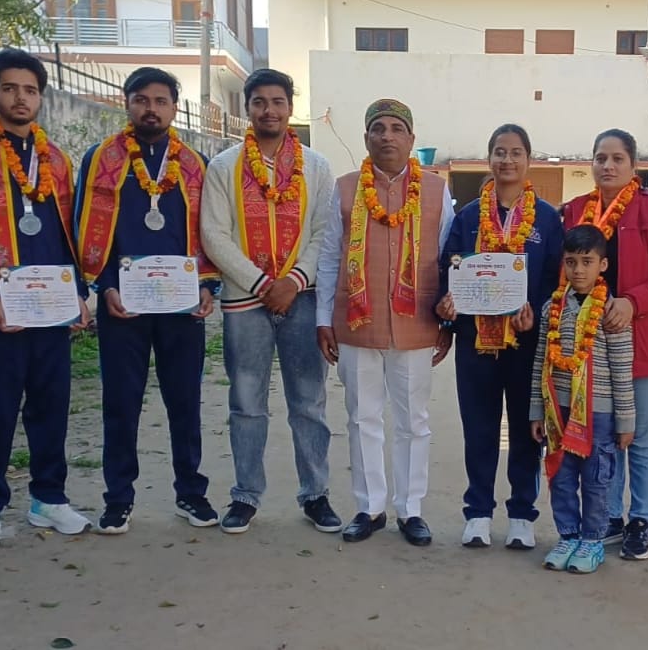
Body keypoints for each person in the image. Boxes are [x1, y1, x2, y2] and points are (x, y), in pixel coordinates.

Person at [0, 48, 92, 553]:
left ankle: (48, 496)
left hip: (50, 306)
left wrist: (78, 292)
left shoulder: (56, 161)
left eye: (30, 90)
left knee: (51, 406)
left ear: (41, 97)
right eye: (10, 88)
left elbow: (69, 235)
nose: (20, 98)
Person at [73, 67, 220, 534]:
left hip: (181, 304)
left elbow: (209, 230)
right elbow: (85, 225)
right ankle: (118, 498)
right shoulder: (102, 159)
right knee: (121, 402)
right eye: (141, 100)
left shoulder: (194, 164)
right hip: (124, 304)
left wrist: (207, 285)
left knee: (185, 401)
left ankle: (191, 492)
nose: (150, 109)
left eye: (160, 100)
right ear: (127, 103)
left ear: (174, 107)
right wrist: (105, 286)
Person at [200, 68, 341, 535]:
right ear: (247, 108)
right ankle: (245, 495)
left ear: (290, 107)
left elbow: (325, 232)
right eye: (259, 102)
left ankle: (315, 493)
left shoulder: (316, 167)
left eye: (278, 102)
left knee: (309, 401)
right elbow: (214, 234)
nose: (269, 110)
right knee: (246, 402)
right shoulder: (224, 167)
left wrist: (293, 281)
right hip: (246, 302)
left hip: (302, 298)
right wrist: (263, 284)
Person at [316, 99, 455, 547]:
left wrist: (448, 322)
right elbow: (330, 256)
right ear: (366, 138)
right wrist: (323, 319)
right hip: (357, 322)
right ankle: (369, 507)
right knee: (362, 418)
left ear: (412, 139)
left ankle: (411, 509)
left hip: (417, 323)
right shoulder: (345, 188)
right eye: (378, 128)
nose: (387, 136)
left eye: (397, 128)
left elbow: (449, 258)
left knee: (414, 421)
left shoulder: (435, 190)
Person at [561, 129, 648, 560]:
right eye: (601, 158)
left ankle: (642, 520)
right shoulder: (576, 210)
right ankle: (610, 515)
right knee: (605, 432)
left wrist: (633, 302)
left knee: (643, 434)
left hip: (646, 339)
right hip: (590, 344)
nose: (608, 166)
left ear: (634, 165)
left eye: (617, 158)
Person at [435, 124, 563, 550]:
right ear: (489, 158)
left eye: (516, 152)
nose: (507, 160)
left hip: (526, 344)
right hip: (476, 342)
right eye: (500, 152)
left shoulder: (547, 218)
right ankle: (478, 512)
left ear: (529, 159)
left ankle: (522, 514)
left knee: (527, 430)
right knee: (479, 429)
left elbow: (554, 280)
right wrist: (446, 306)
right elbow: (448, 269)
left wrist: (536, 313)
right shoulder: (468, 217)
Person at [531, 225, 634, 574]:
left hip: (599, 414)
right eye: (571, 261)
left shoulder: (611, 311)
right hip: (558, 411)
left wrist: (626, 421)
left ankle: (592, 540)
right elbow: (541, 361)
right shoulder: (552, 309)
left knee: (596, 479)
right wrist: (536, 411)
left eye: (587, 262)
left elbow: (622, 369)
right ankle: (568, 535)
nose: (578, 270)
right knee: (561, 477)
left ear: (602, 265)